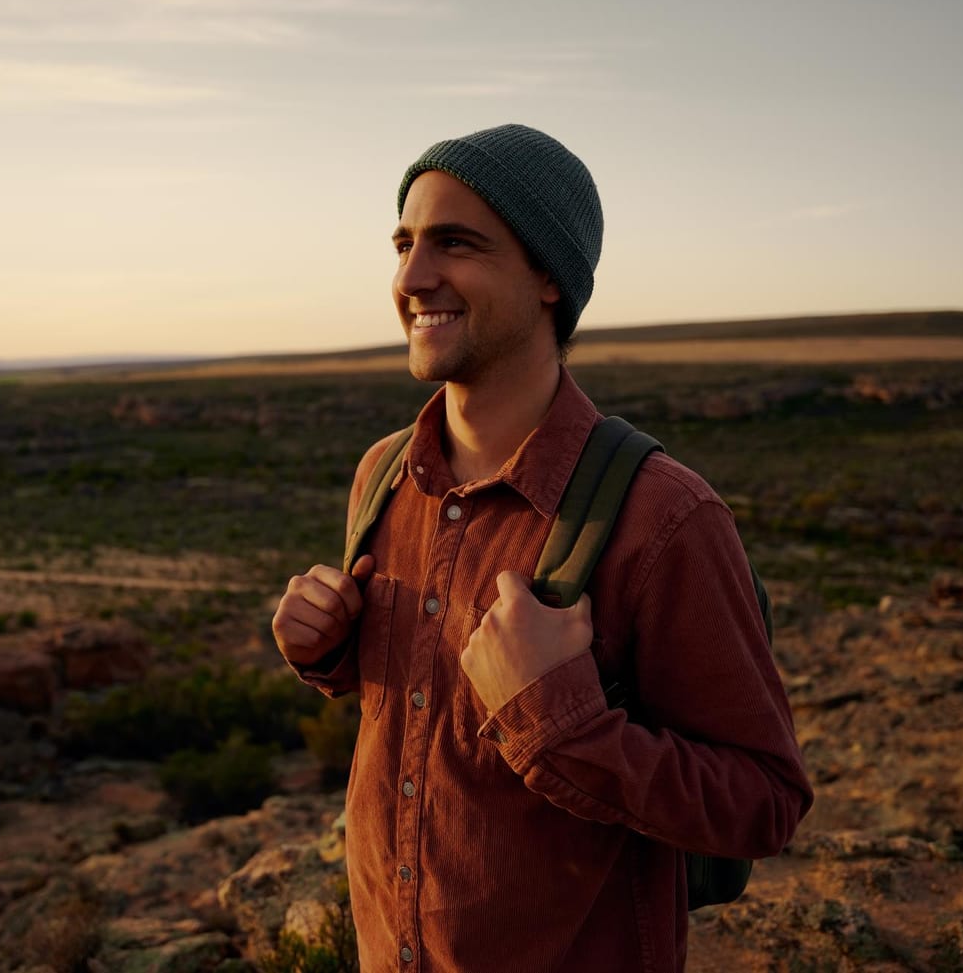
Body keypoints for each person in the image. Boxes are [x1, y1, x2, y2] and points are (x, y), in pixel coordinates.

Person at [271, 123, 812, 972]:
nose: (412, 278)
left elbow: (765, 802)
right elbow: (423, 713)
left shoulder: (664, 516)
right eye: (405, 244)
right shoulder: (385, 476)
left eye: (456, 243)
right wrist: (331, 652)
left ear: (550, 276)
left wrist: (559, 725)